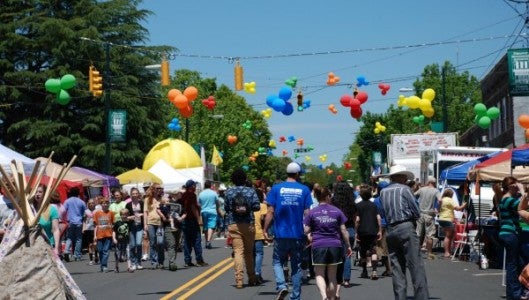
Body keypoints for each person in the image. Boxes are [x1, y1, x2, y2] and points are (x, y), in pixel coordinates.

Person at [379, 165, 429, 300]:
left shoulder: (383, 192)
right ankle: (421, 297)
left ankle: (400, 297)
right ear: (400, 176)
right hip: (405, 226)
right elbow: (416, 211)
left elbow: (383, 212)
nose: (407, 179)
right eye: (405, 176)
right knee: (415, 265)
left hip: (391, 229)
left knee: (397, 268)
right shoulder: (405, 189)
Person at [264, 162, 312, 300]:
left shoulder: (276, 189)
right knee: (296, 265)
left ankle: (281, 285)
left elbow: (270, 211)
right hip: (297, 234)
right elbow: (307, 213)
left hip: (280, 233)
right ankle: (295, 296)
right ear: (297, 174)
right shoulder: (304, 190)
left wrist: (265, 229)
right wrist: (308, 231)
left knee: (278, 261)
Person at [304, 186, 352, 300]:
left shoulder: (312, 212)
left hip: (318, 245)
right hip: (335, 245)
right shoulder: (336, 211)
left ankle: (324, 296)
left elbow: (306, 230)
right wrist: (348, 246)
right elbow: (344, 230)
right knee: (332, 276)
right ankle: (331, 297)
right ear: (327, 196)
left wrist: (310, 232)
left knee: (319, 274)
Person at [224, 168, 261, 289]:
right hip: (248, 224)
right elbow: (256, 207)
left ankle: (239, 280)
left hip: (234, 224)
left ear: (233, 180)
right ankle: (251, 278)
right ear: (245, 179)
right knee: (249, 253)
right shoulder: (251, 191)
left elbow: (226, 208)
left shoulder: (228, 192)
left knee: (238, 252)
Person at [497, 176, 524, 300]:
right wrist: (523, 191)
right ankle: (515, 294)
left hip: (505, 233)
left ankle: (512, 293)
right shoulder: (508, 199)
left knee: (514, 263)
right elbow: (524, 206)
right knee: (512, 265)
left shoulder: (504, 198)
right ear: (511, 186)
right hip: (510, 233)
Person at [331, 181, 356, 289]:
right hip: (349, 229)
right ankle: (346, 280)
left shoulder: (333, 202)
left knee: (336, 255)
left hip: (336, 230)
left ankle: (338, 278)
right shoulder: (352, 203)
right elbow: (355, 218)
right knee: (347, 255)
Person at [355, 186, 382, 280]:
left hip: (362, 231)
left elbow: (357, 220)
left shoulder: (358, 206)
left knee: (363, 251)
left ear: (361, 195)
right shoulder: (374, 205)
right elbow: (378, 218)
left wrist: (356, 231)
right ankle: (374, 271)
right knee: (373, 250)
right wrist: (380, 230)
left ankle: (364, 271)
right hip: (373, 230)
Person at [182, 179, 208, 267]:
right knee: (197, 240)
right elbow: (193, 207)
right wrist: (199, 219)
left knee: (187, 242)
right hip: (192, 220)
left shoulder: (184, 195)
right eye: (194, 185)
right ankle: (199, 260)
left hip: (185, 220)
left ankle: (187, 261)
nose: (195, 187)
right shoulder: (192, 195)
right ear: (192, 186)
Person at [414, 176, 440, 260]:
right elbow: (440, 200)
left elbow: (413, 196)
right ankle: (429, 253)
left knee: (418, 234)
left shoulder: (422, 189)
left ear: (428, 182)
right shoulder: (436, 191)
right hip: (429, 214)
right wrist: (437, 209)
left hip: (420, 213)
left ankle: (416, 253)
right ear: (434, 183)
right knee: (430, 235)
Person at [31, 184, 61, 256]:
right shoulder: (30, 210)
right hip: (33, 246)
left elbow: (56, 229)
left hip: (48, 245)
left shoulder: (52, 209)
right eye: (35, 192)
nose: (37, 194)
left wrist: (56, 248)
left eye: (40, 192)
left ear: (45, 194)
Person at [160, 192, 186, 271]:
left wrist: (182, 218)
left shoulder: (180, 203)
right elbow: (159, 210)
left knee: (176, 245)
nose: (177, 195)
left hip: (178, 226)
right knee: (171, 244)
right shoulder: (165, 203)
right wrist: (164, 217)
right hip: (168, 226)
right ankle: (172, 263)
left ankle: (172, 261)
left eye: (178, 194)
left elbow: (185, 212)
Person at [437, 189, 465, 258]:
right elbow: (458, 208)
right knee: (448, 236)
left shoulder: (442, 199)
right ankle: (447, 252)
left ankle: (449, 251)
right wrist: (464, 205)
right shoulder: (450, 200)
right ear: (451, 194)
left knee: (450, 235)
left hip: (441, 218)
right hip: (448, 219)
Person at [143, 183, 166, 269]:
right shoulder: (147, 199)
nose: (159, 189)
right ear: (153, 189)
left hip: (160, 223)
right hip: (150, 222)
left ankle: (161, 260)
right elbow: (145, 212)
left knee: (160, 242)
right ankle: (154, 261)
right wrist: (145, 224)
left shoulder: (162, 199)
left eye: (160, 188)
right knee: (153, 243)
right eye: (157, 188)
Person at [372, 181, 392, 277]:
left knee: (381, 248)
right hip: (391, 224)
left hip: (381, 225)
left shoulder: (376, 201)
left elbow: (375, 215)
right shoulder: (391, 199)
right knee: (389, 248)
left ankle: (387, 269)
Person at [63, 187, 86, 262]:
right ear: (78, 193)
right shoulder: (81, 202)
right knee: (78, 239)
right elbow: (84, 213)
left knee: (69, 238)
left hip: (70, 222)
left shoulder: (67, 201)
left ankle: (66, 251)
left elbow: (63, 210)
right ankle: (77, 255)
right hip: (79, 222)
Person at [93, 198, 114, 273]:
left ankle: (105, 265)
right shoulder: (97, 213)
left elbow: (112, 224)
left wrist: (113, 235)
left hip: (108, 234)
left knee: (106, 251)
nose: (105, 205)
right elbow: (95, 226)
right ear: (101, 204)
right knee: (100, 251)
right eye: (103, 203)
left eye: (107, 203)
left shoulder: (111, 213)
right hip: (99, 234)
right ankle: (102, 265)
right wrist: (94, 236)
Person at [125, 187, 144, 270]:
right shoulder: (128, 205)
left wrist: (141, 214)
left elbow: (146, 213)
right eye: (133, 194)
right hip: (132, 227)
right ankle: (133, 262)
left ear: (138, 194)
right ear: (131, 195)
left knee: (139, 244)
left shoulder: (142, 203)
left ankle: (139, 262)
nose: (135, 195)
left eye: (136, 193)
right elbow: (125, 217)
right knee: (132, 245)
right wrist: (130, 217)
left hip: (140, 226)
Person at [253, 187, 268, 284]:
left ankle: (254, 274)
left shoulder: (248, 206)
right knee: (259, 253)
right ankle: (257, 272)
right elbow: (264, 219)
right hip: (258, 232)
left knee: (252, 254)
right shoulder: (262, 206)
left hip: (249, 233)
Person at [198, 180, 219, 249]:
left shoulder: (201, 194)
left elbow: (198, 203)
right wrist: (218, 209)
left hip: (204, 211)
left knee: (206, 227)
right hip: (212, 211)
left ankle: (207, 241)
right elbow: (217, 202)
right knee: (211, 226)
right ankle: (208, 241)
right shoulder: (214, 193)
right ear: (210, 186)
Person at [113, 208, 132, 273]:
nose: (124, 216)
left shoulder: (129, 223)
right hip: (118, 241)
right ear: (120, 215)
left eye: (126, 214)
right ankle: (116, 267)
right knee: (117, 255)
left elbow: (130, 231)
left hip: (127, 241)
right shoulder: (117, 223)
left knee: (128, 254)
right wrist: (114, 238)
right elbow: (114, 231)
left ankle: (129, 267)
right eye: (123, 214)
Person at [83, 198, 98, 265]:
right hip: (88, 229)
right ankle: (91, 259)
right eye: (89, 203)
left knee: (95, 244)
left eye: (92, 203)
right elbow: (84, 220)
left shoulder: (97, 211)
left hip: (95, 228)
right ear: (88, 204)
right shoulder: (86, 211)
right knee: (90, 245)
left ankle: (96, 255)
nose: (91, 204)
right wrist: (83, 228)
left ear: (95, 204)